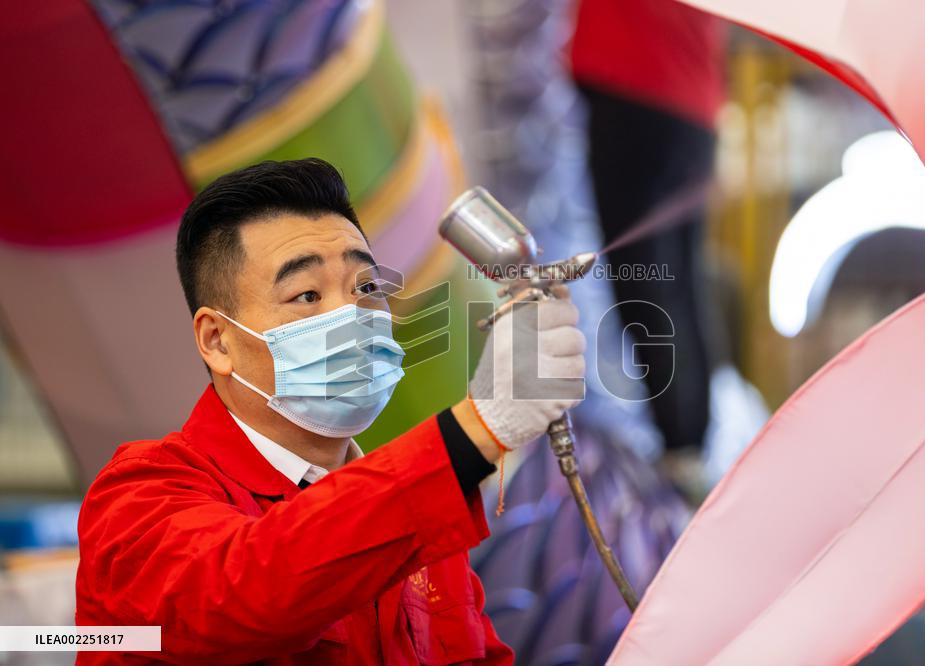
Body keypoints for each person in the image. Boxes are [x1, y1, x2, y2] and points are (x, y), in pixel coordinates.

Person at [74, 158, 586, 664]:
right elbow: (246, 589)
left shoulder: (417, 526)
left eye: (365, 288)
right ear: (217, 340)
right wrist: (476, 429)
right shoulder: (140, 497)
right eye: (307, 295)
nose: (351, 316)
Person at [570, 0, 726, 458]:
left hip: (636, 80)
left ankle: (682, 452)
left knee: (647, 281)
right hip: (694, 96)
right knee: (678, 283)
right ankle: (690, 447)